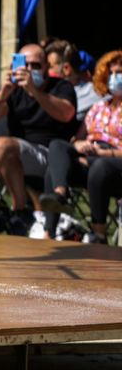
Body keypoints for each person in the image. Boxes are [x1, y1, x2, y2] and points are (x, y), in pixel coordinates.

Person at [0, 42, 77, 235]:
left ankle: (20, 212)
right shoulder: (15, 90)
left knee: (2, 145)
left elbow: (67, 113)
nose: (28, 70)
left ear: (46, 67)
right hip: (10, 155)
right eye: (23, 65)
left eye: (35, 65)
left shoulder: (61, 86)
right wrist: (2, 95)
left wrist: (35, 92)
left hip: (48, 155)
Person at [39, 49, 122, 243]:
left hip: (114, 162)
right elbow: (76, 139)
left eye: (120, 73)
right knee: (57, 149)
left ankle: (99, 234)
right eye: (112, 74)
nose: (115, 78)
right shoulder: (98, 107)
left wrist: (105, 153)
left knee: (100, 168)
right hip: (91, 155)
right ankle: (56, 208)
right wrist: (80, 145)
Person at [45, 39, 102, 121]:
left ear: (66, 69)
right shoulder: (42, 92)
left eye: (50, 67)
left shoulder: (96, 94)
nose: (45, 71)